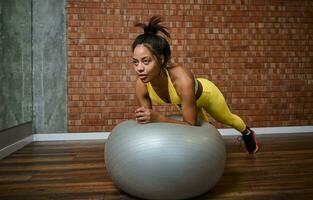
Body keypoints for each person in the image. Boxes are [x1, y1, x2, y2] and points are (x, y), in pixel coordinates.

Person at [131, 16, 259, 154]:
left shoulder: (181, 80)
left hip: (206, 95)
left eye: (145, 61)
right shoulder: (141, 84)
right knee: (205, 131)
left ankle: (247, 133)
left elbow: (189, 124)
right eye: (135, 62)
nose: (139, 68)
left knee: (227, 119)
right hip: (187, 102)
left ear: (161, 59)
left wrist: (158, 118)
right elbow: (148, 121)